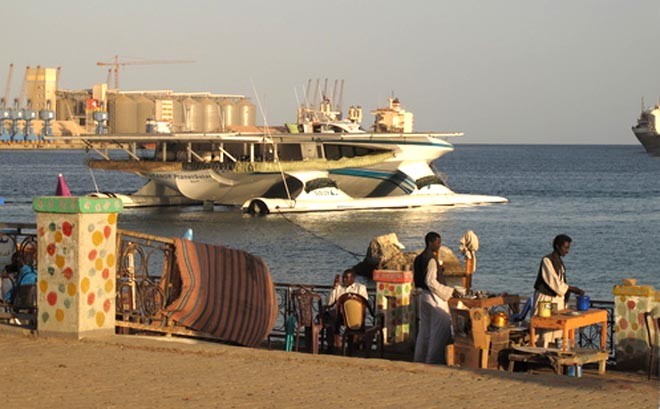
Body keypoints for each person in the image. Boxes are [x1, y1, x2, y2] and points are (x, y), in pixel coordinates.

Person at [414, 232, 459, 364]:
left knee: (425, 330)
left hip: (423, 296)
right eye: (437, 242)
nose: (439, 245)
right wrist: (449, 291)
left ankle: (420, 358)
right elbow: (431, 281)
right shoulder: (431, 259)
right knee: (439, 329)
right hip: (434, 297)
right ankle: (433, 360)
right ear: (430, 243)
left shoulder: (419, 258)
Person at [532, 234, 584, 347]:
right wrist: (570, 288)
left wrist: (568, 289)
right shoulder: (547, 260)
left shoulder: (559, 262)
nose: (567, 251)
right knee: (545, 330)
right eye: (565, 248)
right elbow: (554, 282)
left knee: (557, 330)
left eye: (568, 248)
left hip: (557, 300)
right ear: (557, 246)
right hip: (546, 300)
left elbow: (560, 283)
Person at [324, 269, 368, 349]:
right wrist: (334, 289)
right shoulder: (339, 288)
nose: (344, 280)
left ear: (353, 278)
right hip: (340, 316)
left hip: (354, 316)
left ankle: (353, 345)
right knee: (329, 319)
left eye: (347, 278)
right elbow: (329, 303)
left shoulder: (360, 288)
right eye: (343, 277)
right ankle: (333, 344)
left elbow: (364, 303)